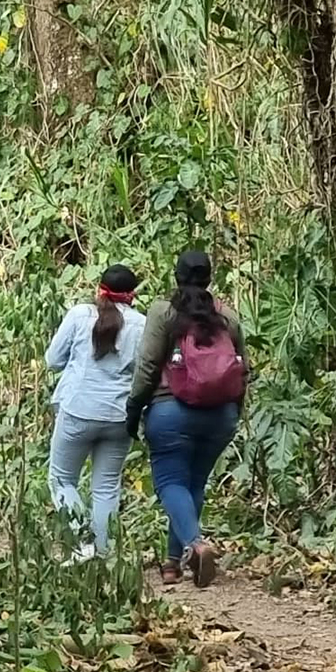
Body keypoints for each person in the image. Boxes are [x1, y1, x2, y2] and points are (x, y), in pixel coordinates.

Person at [125, 249, 246, 587]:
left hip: (171, 412)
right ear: (209, 278)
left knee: (170, 483)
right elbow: (242, 370)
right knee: (192, 483)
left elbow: (148, 366)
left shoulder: (164, 312)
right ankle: (172, 563)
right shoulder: (229, 317)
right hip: (220, 416)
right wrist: (235, 413)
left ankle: (196, 544)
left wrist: (134, 409)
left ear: (176, 276)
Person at [45, 265, 146, 560]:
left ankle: (82, 540)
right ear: (132, 295)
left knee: (62, 480)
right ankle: (103, 553)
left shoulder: (80, 315)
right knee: (106, 487)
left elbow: (53, 360)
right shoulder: (141, 324)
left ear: (99, 289)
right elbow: (145, 371)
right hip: (119, 416)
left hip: (78, 410)